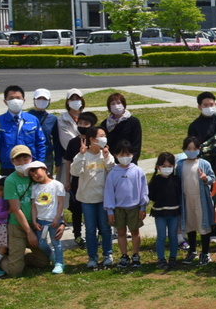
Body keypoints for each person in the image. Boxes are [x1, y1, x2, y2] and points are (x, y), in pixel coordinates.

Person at [0, 145, 52, 277]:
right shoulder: (11, 180)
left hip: (35, 224)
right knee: (15, 271)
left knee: (43, 262)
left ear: (31, 158)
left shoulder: (35, 175)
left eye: (25, 158)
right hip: (17, 226)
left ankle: (20, 256)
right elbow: (16, 209)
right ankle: (0, 260)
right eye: (18, 160)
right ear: (12, 162)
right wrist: (29, 232)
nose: (22, 162)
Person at [70, 125, 116, 268]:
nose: (104, 139)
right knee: (90, 229)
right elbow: (75, 172)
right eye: (100, 136)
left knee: (105, 228)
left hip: (103, 199)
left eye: (104, 136)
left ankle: (108, 254)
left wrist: (107, 157)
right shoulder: (83, 155)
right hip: (87, 199)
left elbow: (112, 171)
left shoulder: (106, 154)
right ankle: (92, 257)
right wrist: (81, 155)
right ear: (91, 139)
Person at [104, 140, 148, 268]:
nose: (125, 157)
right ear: (116, 155)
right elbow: (109, 192)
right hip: (118, 208)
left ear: (133, 155)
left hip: (135, 207)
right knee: (121, 232)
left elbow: (143, 190)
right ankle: (124, 255)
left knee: (135, 231)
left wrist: (143, 206)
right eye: (122, 154)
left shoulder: (138, 171)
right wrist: (110, 210)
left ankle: (135, 255)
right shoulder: (113, 173)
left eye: (128, 154)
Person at [0, 85, 47, 175]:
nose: (15, 101)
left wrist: (39, 164)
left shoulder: (33, 120)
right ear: (5, 101)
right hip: (8, 167)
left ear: (23, 100)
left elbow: (40, 144)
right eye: (11, 98)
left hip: (30, 166)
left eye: (18, 98)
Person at [56, 90, 88, 245]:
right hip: (71, 163)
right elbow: (67, 141)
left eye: (78, 99)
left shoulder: (86, 116)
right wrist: (84, 144)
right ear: (67, 101)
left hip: (89, 167)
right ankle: (74, 231)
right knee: (72, 199)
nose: (75, 102)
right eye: (72, 99)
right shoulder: (61, 119)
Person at [178, 136, 216, 265]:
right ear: (184, 149)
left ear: (199, 149)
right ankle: (192, 250)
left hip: (201, 200)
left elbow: (213, 178)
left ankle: (205, 252)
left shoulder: (204, 164)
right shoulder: (180, 165)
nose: (191, 151)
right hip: (186, 199)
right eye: (188, 149)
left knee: (203, 225)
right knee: (190, 225)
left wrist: (206, 179)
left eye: (194, 148)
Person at [26, 161, 66, 274]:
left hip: (53, 220)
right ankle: (51, 255)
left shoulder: (57, 185)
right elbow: (33, 205)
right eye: (32, 175)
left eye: (36, 172)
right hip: (40, 221)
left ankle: (59, 262)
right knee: (41, 243)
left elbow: (61, 204)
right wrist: (34, 220)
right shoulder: (35, 188)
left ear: (44, 169)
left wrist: (57, 218)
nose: (35, 176)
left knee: (56, 242)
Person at [148, 152, 182, 270]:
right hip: (160, 213)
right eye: (164, 166)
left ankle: (173, 257)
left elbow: (179, 195)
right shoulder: (155, 181)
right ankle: (161, 259)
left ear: (173, 166)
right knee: (161, 236)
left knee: (173, 236)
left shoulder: (176, 180)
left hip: (174, 212)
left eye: (169, 166)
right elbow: (151, 195)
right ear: (158, 167)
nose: (167, 169)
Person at [101, 92, 143, 160]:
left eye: (118, 103)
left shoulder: (133, 122)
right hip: (110, 161)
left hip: (128, 159)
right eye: (113, 104)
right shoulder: (105, 124)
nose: (116, 106)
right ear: (109, 107)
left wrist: (133, 160)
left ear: (124, 104)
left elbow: (136, 144)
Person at [29, 88, 57, 168]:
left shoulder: (52, 119)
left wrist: (57, 160)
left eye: (44, 99)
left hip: (46, 156)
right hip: (29, 156)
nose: (41, 101)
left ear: (49, 101)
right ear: (34, 100)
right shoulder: (26, 117)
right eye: (39, 98)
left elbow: (56, 141)